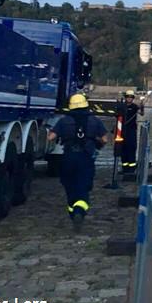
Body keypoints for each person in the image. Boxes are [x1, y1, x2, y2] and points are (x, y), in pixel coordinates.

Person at [47, 93, 108, 232]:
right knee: (83, 187)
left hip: (68, 158)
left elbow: (51, 137)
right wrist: (95, 142)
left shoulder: (63, 121)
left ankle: (72, 211)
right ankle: (79, 212)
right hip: (86, 158)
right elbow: (104, 140)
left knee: (69, 186)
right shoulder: (95, 121)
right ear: (85, 104)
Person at [117, 89, 144, 174]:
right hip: (122, 131)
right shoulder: (122, 106)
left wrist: (142, 106)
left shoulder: (135, 107)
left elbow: (141, 113)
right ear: (125, 98)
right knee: (122, 149)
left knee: (131, 148)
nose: (129, 98)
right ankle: (124, 167)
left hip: (131, 131)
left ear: (133, 98)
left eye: (131, 97)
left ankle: (132, 169)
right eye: (127, 97)